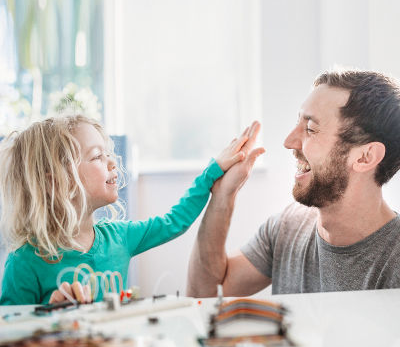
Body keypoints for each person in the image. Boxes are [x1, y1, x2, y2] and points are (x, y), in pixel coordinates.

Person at [0, 115, 263, 305]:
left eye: (108, 154)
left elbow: (175, 221)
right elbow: (10, 336)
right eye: (97, 156)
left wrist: (213, 171)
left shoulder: (120, 237)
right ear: (56, 181)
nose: (113, 163)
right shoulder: (24, 262)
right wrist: (48, 316)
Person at [187, 68, 400, 297]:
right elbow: (206, 295)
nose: (289, 142)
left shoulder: (393, 262)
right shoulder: (288, 227)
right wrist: (223, 196)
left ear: (365, 157)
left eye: (310, 129)